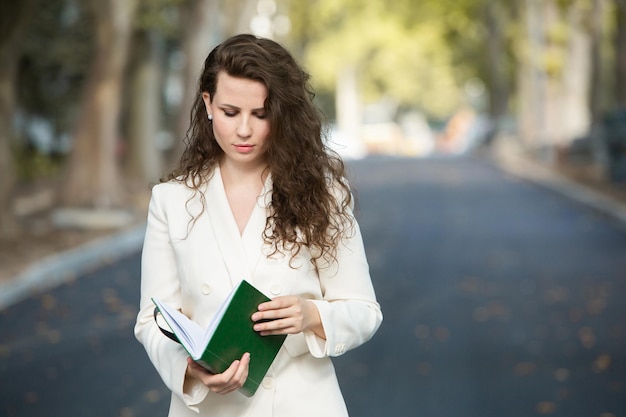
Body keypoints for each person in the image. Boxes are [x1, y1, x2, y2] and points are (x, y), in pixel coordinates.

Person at [134, 33, 382, 417]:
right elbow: (152, 319)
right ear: (208, 104)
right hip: (208, 407)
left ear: (281, 113)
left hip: (302, 405)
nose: (244, 130)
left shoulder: (323, 193)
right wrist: (191, 370)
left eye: (261, 114)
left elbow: (365, 311)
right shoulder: (172, 200)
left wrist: (311, 314)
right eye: (231, 112)